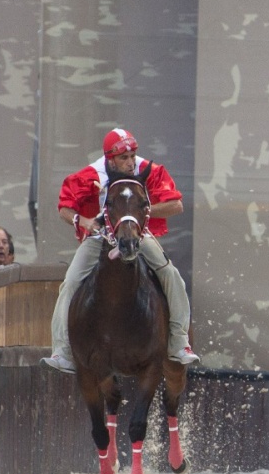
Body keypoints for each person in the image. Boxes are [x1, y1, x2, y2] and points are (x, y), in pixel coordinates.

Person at [41, 127, 199, 372]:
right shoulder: (91, 174)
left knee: (171, 275)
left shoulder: (150, 171)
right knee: (70, 282)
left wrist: (142, 211)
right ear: (109, 158)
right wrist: (82, 221)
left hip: (137, 235)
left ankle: (179, 342)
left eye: (132, 155)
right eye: (123, 158)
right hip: (99, 236)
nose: (130, 162)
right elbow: (64, 208)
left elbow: (175, 205)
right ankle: (62, 350)